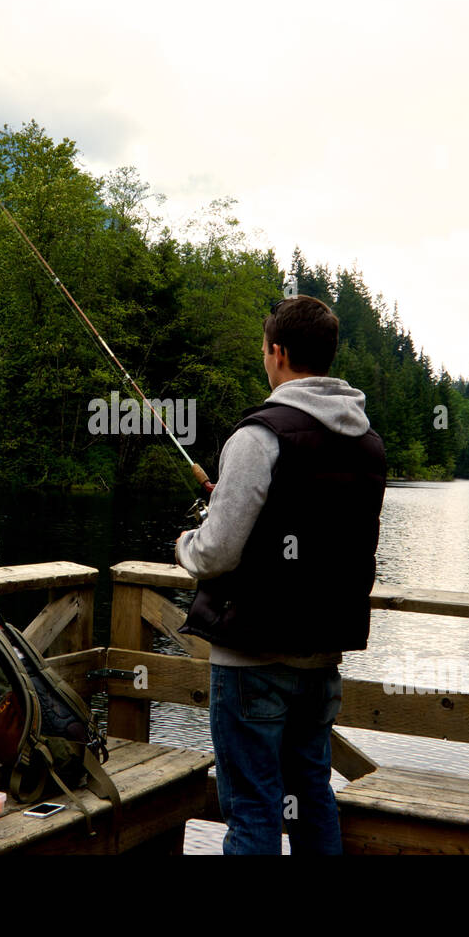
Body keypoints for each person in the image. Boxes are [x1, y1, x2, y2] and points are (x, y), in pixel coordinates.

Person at [174, 294, 386, 855]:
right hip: (321, 657)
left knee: (252, 812)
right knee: (312, 795)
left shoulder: (258, 436)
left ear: (279, 353)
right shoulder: (367, 444)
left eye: (265, 350)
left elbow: (215, 553)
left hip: (252, 659)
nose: (264, 358)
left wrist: (185, 546)